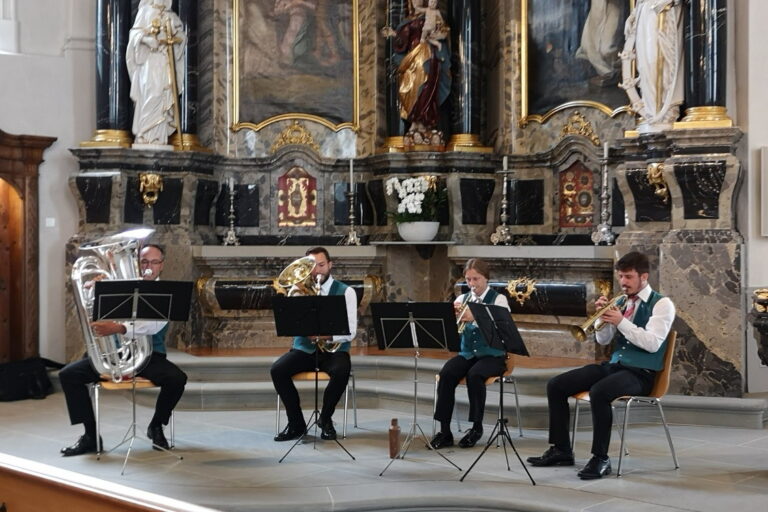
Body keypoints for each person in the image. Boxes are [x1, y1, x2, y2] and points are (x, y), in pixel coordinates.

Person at [527, 251, 675, 479]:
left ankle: (600, 458)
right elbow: (603, 340)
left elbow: (653, 344)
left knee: (600, 392)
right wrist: (601, 318)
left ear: (643, 277)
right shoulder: (623, 301)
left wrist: (621, 322)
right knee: (556, 385)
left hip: (642, 374)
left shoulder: (662, 304)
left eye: (628, 277)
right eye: (620, 277)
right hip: (615, 365)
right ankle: (561, 450)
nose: (623, 283)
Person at [60, 244, 188, 456]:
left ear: (161, 265)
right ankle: (90, 436)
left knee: (177, 379)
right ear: (137, 263)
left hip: (149, 356)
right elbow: (95, 316)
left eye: (154, 262)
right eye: (144, 261)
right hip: (115, 356)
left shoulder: (164, 292)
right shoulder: (117, 285)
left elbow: (154, 325)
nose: (148, 266)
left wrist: (119, 328)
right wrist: (93, 290)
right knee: (69, 375)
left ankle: (156, 426)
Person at [271, 247, 358, 441]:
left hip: (334, 351)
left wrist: (326, 336)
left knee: (342, 370)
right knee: (278, 370)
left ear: (330, 265)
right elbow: (290, 325)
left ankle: (325, 419)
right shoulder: (298, 290)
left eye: (321, 265)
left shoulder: (346, 292)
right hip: (305, 349)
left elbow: (351, 332)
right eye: (312, 266)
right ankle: (296, 424)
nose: (317, 270)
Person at [429, 258, 510, 450]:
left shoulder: (499, 299)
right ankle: (445, 431)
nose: (472, 284)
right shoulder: (461, 300)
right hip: (468, 353)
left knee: (475, 375)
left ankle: (476, 428)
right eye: (468, 280)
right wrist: (451, 319)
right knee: (447, 374)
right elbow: (453, 334)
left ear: (486, 278)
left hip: (493, 355)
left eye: (476, 279)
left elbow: (503, 331)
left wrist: (476, 317)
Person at [384, 0, 451, 140]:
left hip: (426, 55)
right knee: (408, 90)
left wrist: (436, 36)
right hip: (410, 59)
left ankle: (424, 123)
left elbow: (442, 32)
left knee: (426, 87)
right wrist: (393, 34)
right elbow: (401, 42)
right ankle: (413, 122)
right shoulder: (407, 21)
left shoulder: (431, 14)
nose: (416, 1)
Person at [126, 0, 186, 146]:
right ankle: (144, 134)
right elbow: (134, 35)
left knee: (163, 94)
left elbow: (182, 38)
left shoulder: (171, 16)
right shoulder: (145, 11)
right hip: (150, 61)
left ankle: (160, 137)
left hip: (165, 61)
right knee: (152, 94)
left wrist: (175, 39)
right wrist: (147, 40)